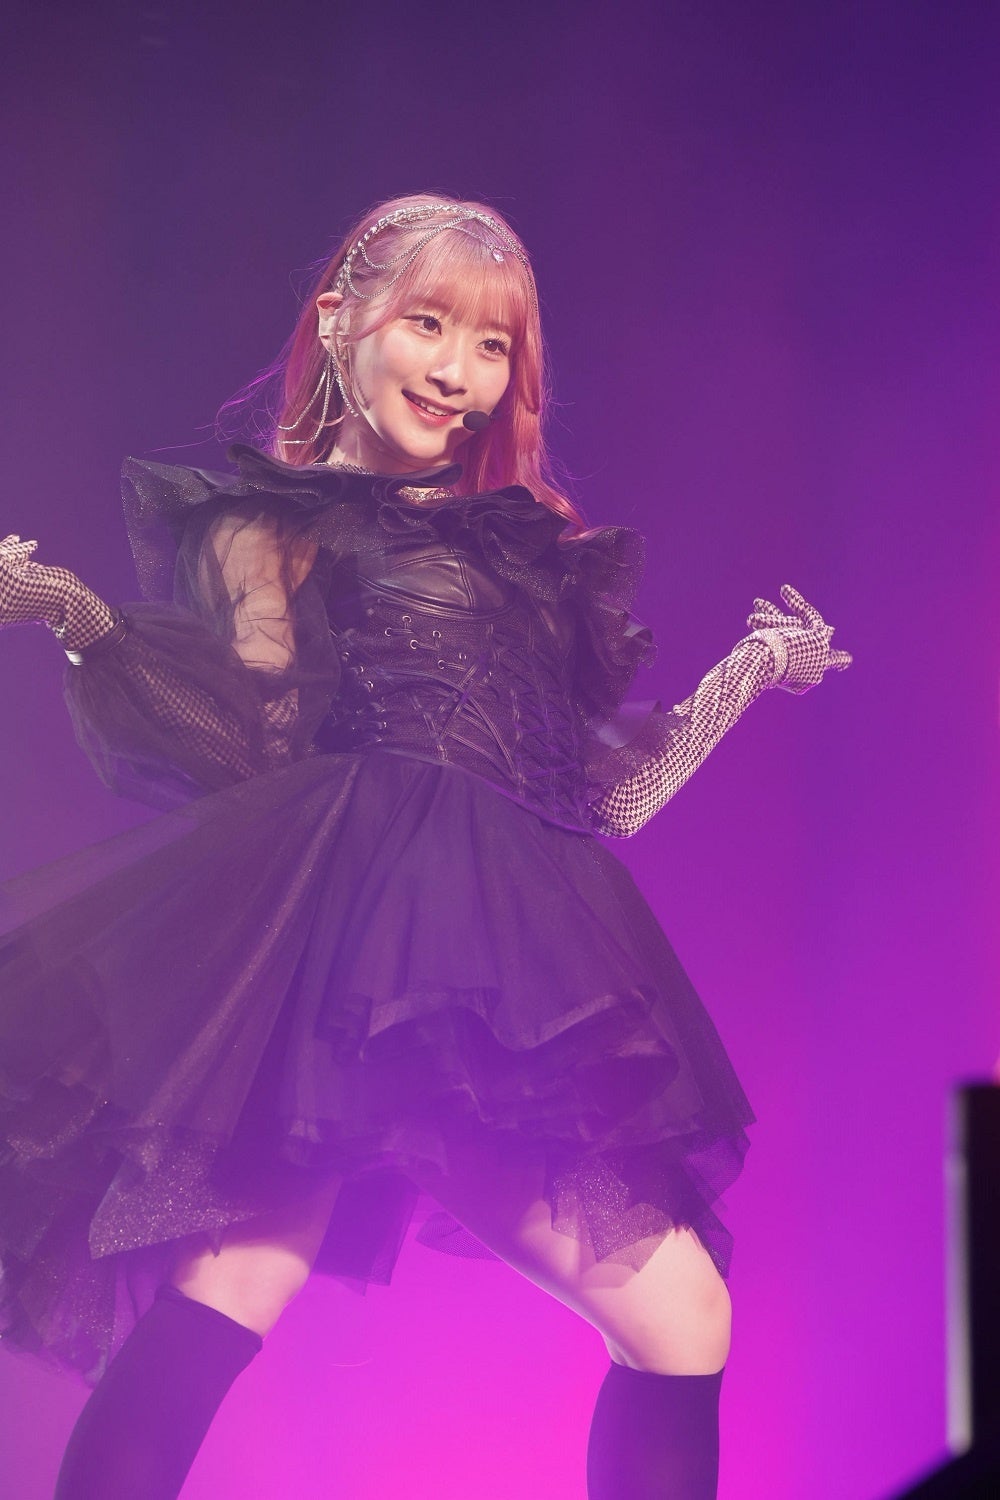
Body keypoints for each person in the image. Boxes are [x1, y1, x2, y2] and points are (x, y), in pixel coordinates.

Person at [0, 194, 851, 1500]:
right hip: (334, 964)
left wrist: (746, 672)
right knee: (229, 1289)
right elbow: (247, 746)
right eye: (430, 325)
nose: (460, 371)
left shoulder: (526, 554)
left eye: (494, 345)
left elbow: (608, 804)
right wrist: (76, 615)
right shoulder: (269, 526)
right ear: (342, 321)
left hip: (502, 989)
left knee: (684, 1320)